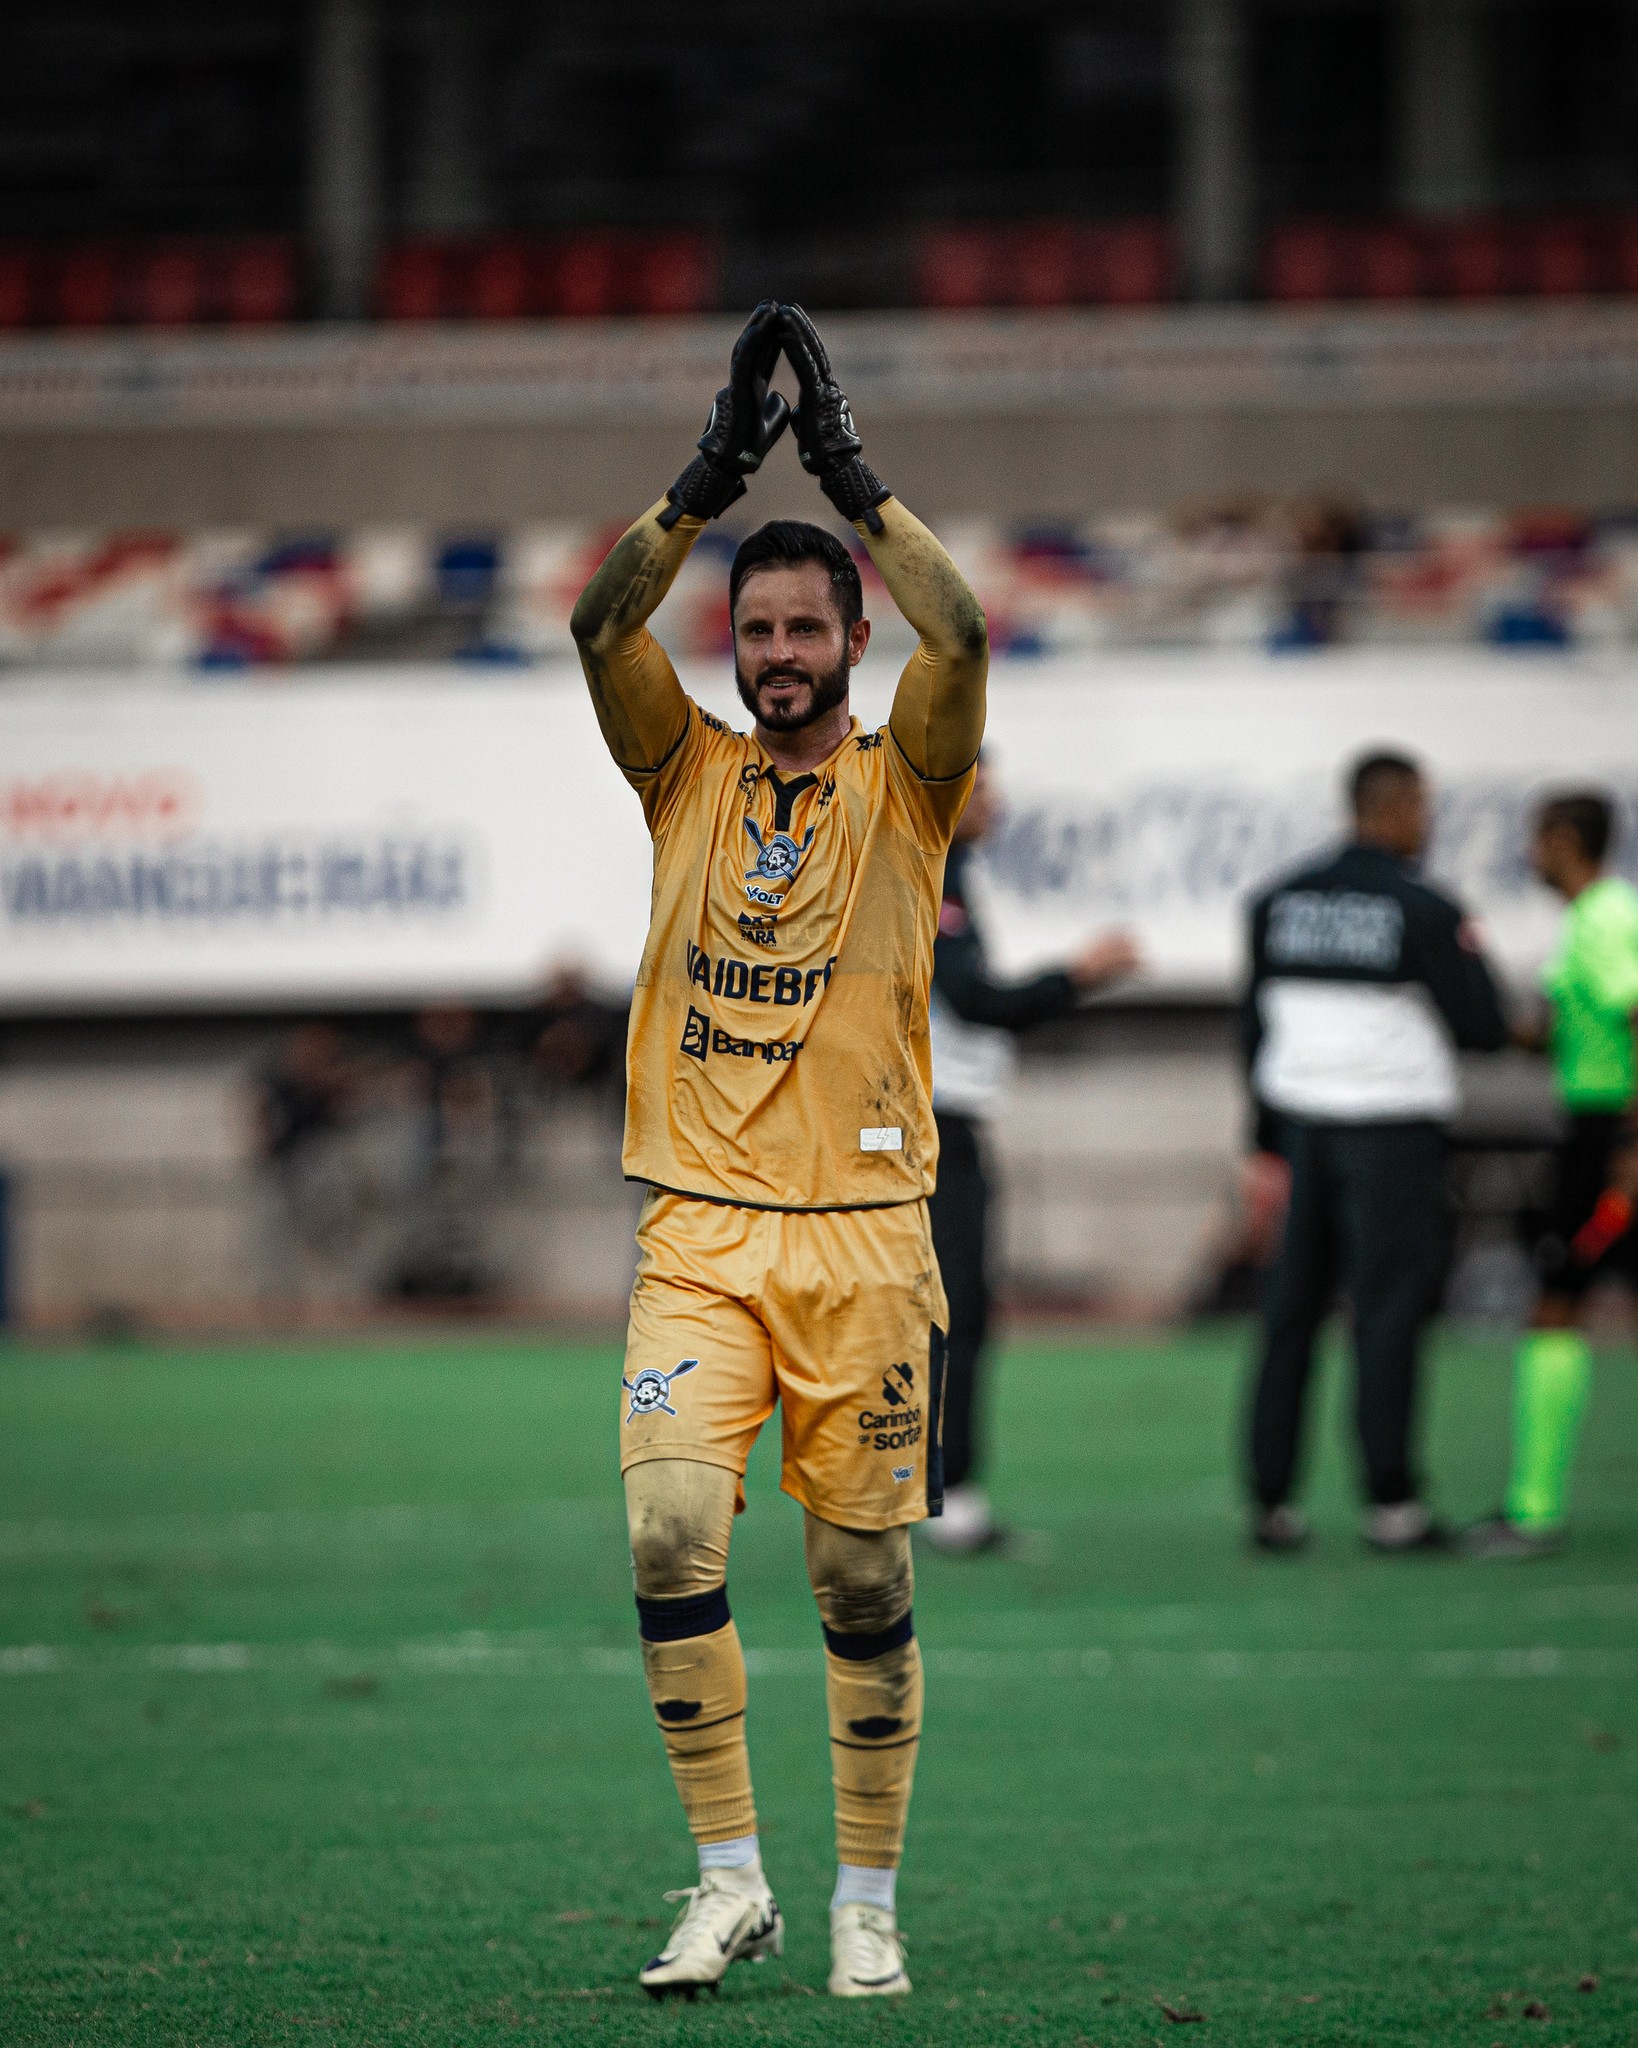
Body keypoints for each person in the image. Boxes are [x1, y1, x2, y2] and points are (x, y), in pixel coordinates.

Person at [569, 303, 987, 2000]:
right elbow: (598, 619)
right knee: (671, 1535)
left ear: (848, 635)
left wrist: (850, 473)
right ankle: (726, 1877)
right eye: (754, 626)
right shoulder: (680, 771)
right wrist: (702, 480)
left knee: (856, 1567)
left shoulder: (912, 781)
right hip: (698, 1238)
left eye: (808, 626)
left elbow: (967, 627)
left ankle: (865, 1897)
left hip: (870, 1240)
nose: (777, 649)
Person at [1242, 750, 1507, 1553]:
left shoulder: (1277, 900)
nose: (1427, 825)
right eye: (1422, 809)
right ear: (1392, 810)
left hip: (1297, 1127)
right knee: (1385, 1314)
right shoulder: (1423, 907)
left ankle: (1272, 1503)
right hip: (1391, 1131)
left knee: (1290, 1314)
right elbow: (1483, 1028)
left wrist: (1260, 1144)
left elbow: (1251, 1028)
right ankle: (1392, 1505)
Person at [925, 757, 1139, 1553]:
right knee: (953, 1315)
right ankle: (951, 1503)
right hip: (928, 1131)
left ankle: (907, 1495)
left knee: (925, 1319)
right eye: (982, 785)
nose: (998, 802)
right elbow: (977, 1002)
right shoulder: (934, 875)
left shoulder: (949, 875)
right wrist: (1075, 976)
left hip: (924, 1126)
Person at [1467, 791, 1638, 1558]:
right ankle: (1531, 1507)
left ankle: (1535, 1509)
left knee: (1557, 1304)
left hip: (1615, 1136)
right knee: (1558, 1299)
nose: (1528, 855)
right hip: (1592, 1133)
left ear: (1565, 841)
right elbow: (1561, 1034)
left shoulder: (1606, 918)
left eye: (1536, 839)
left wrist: (1632, 1147)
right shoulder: (1586, 923)